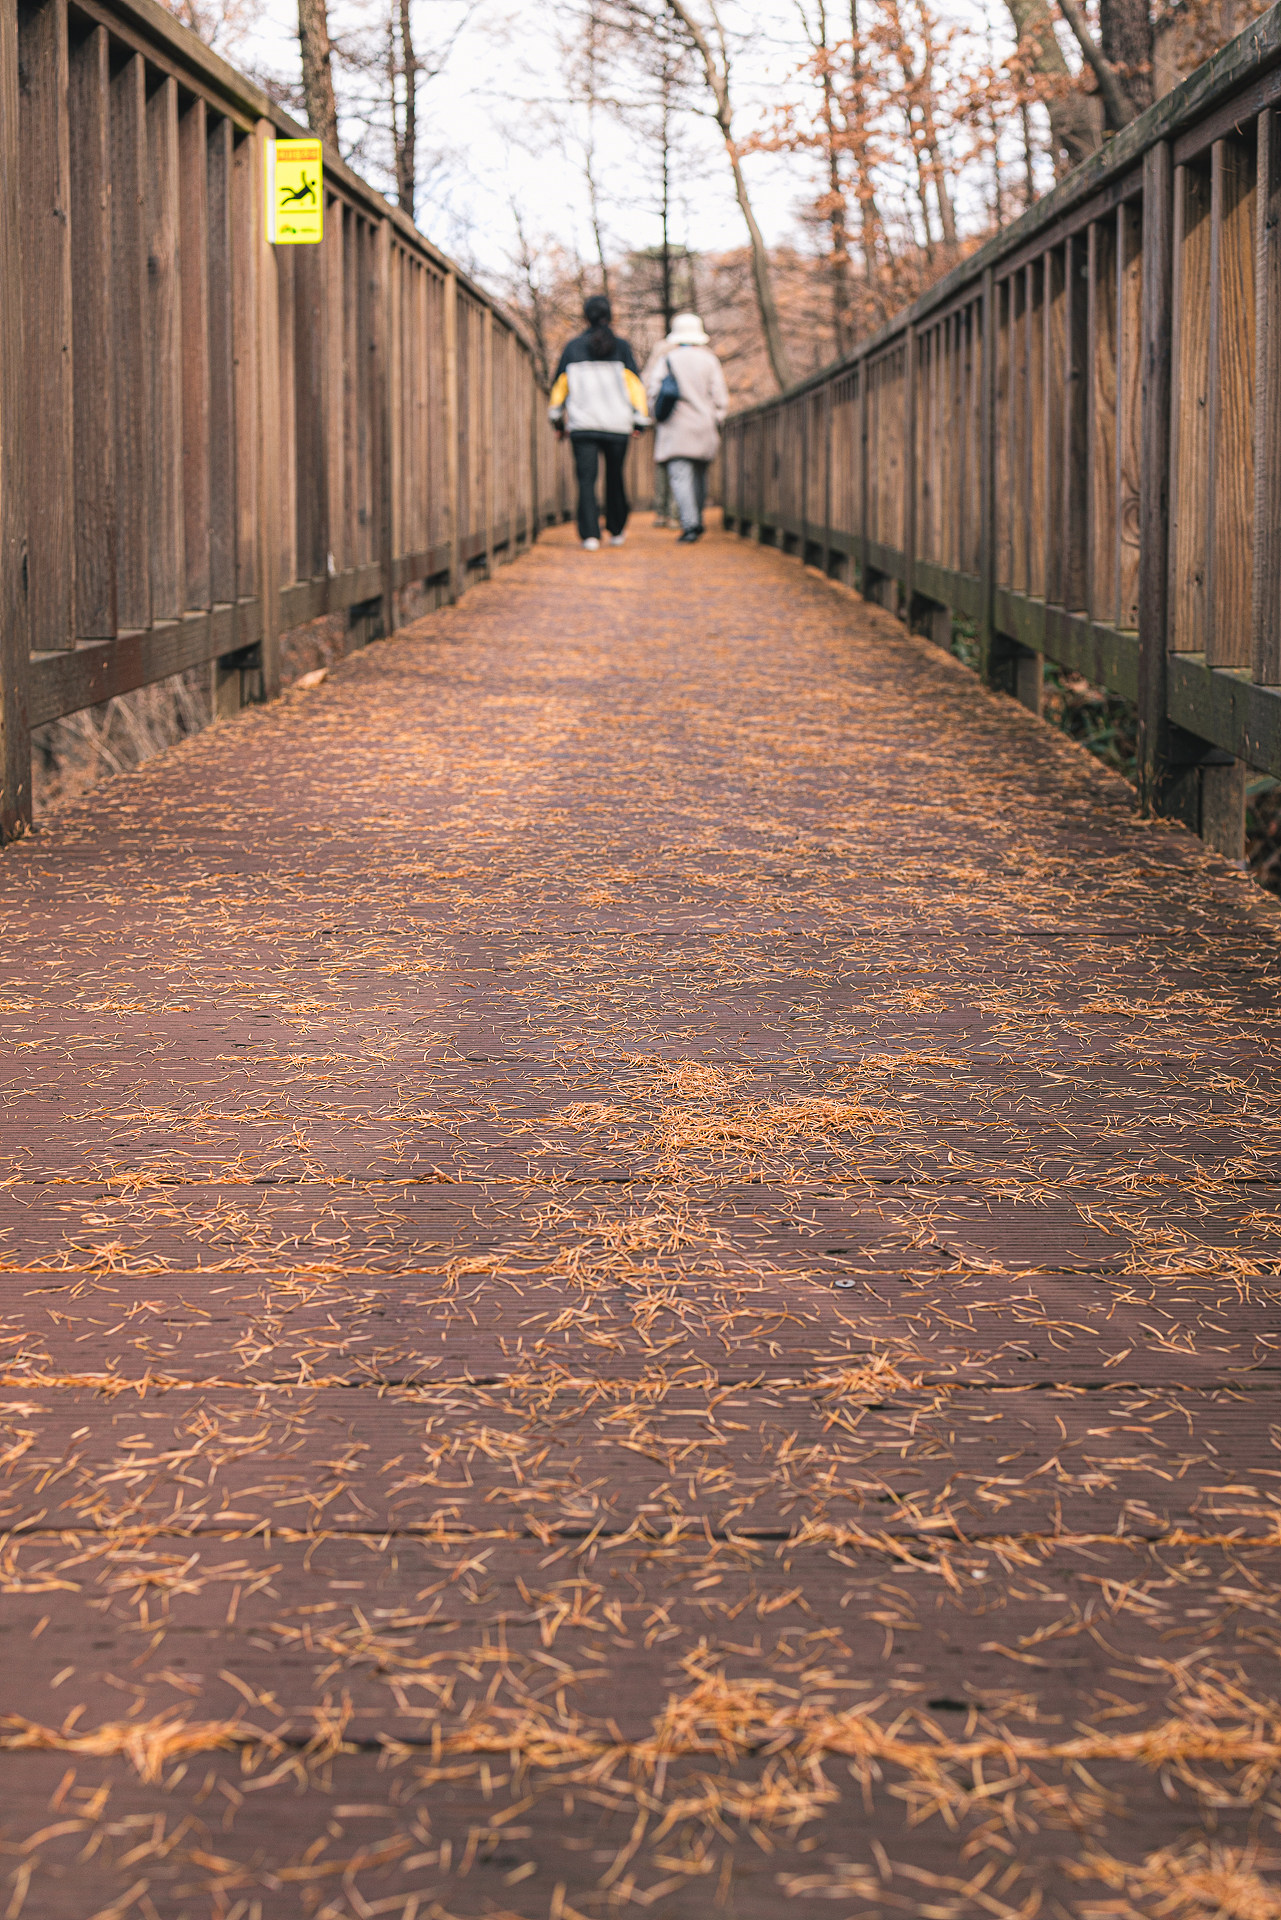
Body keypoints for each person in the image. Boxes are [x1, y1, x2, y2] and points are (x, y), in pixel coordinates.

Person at [548, 295, 649, 551]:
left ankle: (590, 535)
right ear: (610, 316)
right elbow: (635, 387)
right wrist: (639, 421)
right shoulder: (622, 347)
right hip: (618, 425)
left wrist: (557, 422)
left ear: (585, 316)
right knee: (615, 476)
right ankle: (616, 529)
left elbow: (559, 388)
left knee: (586, 480)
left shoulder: (572, 348)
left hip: (583, 425)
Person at [643, 312, 729, 544]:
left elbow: (653, 392)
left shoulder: (668, 360)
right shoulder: (709, 360)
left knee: (680, 477)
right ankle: (697, 519)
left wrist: (656, 415)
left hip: (676, 428)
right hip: (704, 427)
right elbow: (720, 397)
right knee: (700, 477)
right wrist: (717, 417)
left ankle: (690, 524)